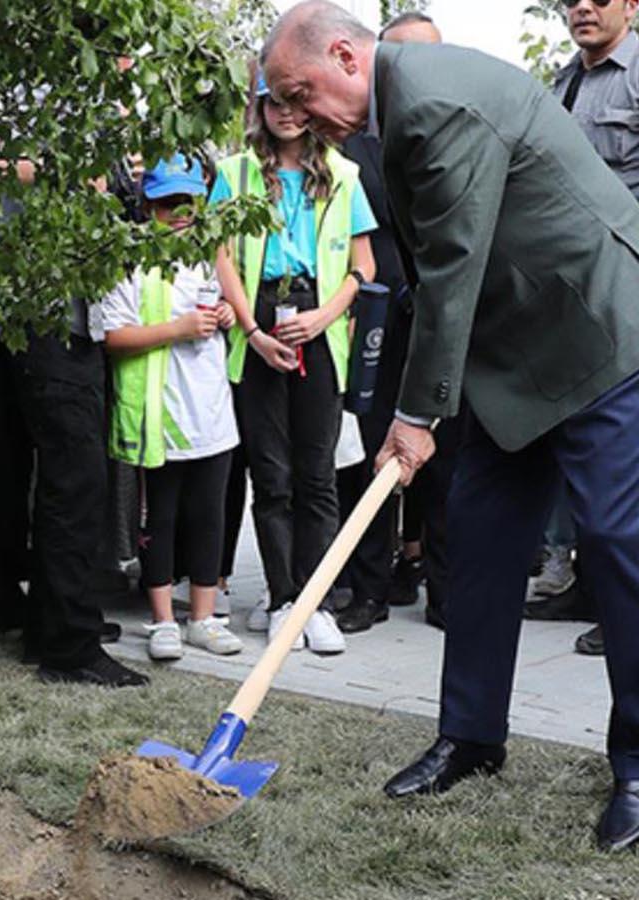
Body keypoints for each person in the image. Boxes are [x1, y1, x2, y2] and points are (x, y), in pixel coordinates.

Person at [263, 0, 639, 851]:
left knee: (618, 545)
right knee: (477, 543)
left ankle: (637, 766)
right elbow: (438, 279)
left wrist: (415, 416)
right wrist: (421, 406)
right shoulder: (388, 118)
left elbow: (455, 265)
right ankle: (470, 736)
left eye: (300, 93)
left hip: (596, 335)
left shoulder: (433, 103)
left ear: (344, 58)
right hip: (510, 358)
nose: (297, 117)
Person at [209, 68, 377, 655]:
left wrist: (326, 316)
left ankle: (316, 602)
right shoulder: (234, 173)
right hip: (260, 322)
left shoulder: (344, 173)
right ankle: (283, 599)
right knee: (271, 476)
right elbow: (223, 258)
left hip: (318, 324)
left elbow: (365, 268)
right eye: (271, 101)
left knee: (318, 477)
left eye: (294, 101)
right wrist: (252, 330)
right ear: (258, 107)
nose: (283, 112)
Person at [101, 156, 244, 662]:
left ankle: (202, 616)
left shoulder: (211, 254)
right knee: (158, 517)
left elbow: (229, 303)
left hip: (211, 412)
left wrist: (226, 312)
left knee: (210, 515)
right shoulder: (130, 262)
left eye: (188, 202)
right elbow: (114, 337)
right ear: (147, 206)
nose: (180, 213)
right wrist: (178, 330)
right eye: (167, 203)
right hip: (158, 416)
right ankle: (163, 619)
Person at [331, 12, 445, 634]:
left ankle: (442, 587)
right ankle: (369, 587)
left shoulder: (453, 131)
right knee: (374, 449)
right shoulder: (350, 142)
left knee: (444, 458)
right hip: (375, 319)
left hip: (442, 323)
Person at [543, 0, 639, 657]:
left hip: (628, 288)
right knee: (581, 458)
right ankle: (585, 588)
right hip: (571, 299)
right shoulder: (562, 84)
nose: (582, 7)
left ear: (631, 6)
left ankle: (625, 611)